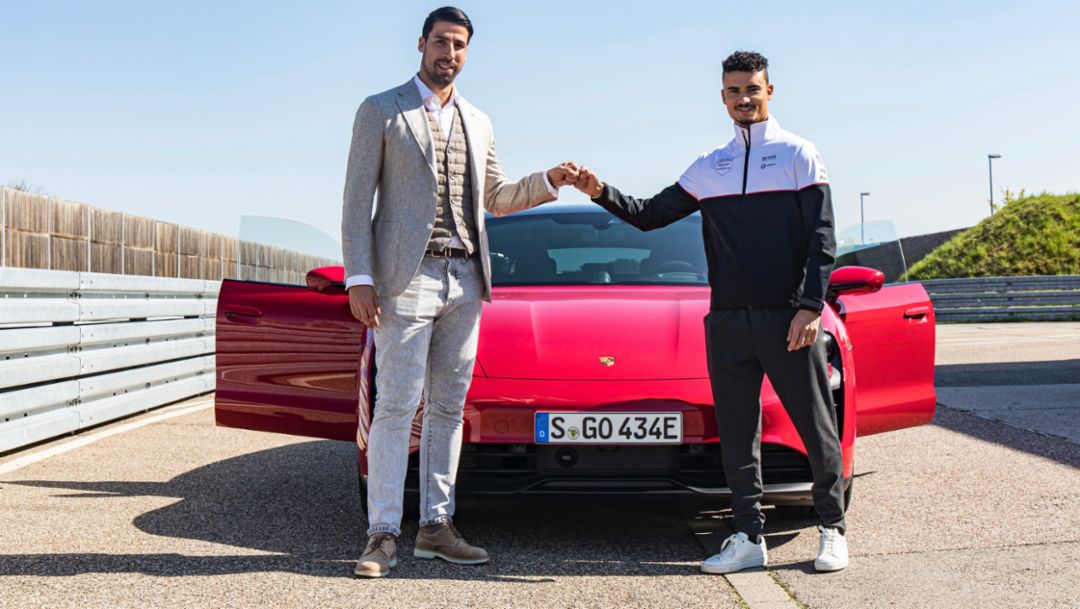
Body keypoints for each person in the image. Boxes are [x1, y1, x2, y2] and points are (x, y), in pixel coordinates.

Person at [573, 51, 849, 574]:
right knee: (737, 431)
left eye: (753, 89)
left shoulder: (798, 154)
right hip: (727, 320)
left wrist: (810, 306)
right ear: (722, 97)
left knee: (816, 426)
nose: (744, 99)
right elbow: (651, 216)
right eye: (733, 91)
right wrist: (599, 191)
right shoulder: (710, 165)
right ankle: (747, 537)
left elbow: (822, 240)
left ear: (771, 91)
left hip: (788, 317)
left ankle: (832, 529)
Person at [341, 6, 579, 578]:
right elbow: (356, 202)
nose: (450, 53)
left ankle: (435, 528)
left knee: (449, 407)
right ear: (421, 44)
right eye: (442, 42)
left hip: (466, 276)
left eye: (460, 46)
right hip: (407, 277)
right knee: (397, 406)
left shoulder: (479, 120)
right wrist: (360, 277)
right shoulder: (380, 110)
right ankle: (380, 535)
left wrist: (550, 181)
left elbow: (495, 196)